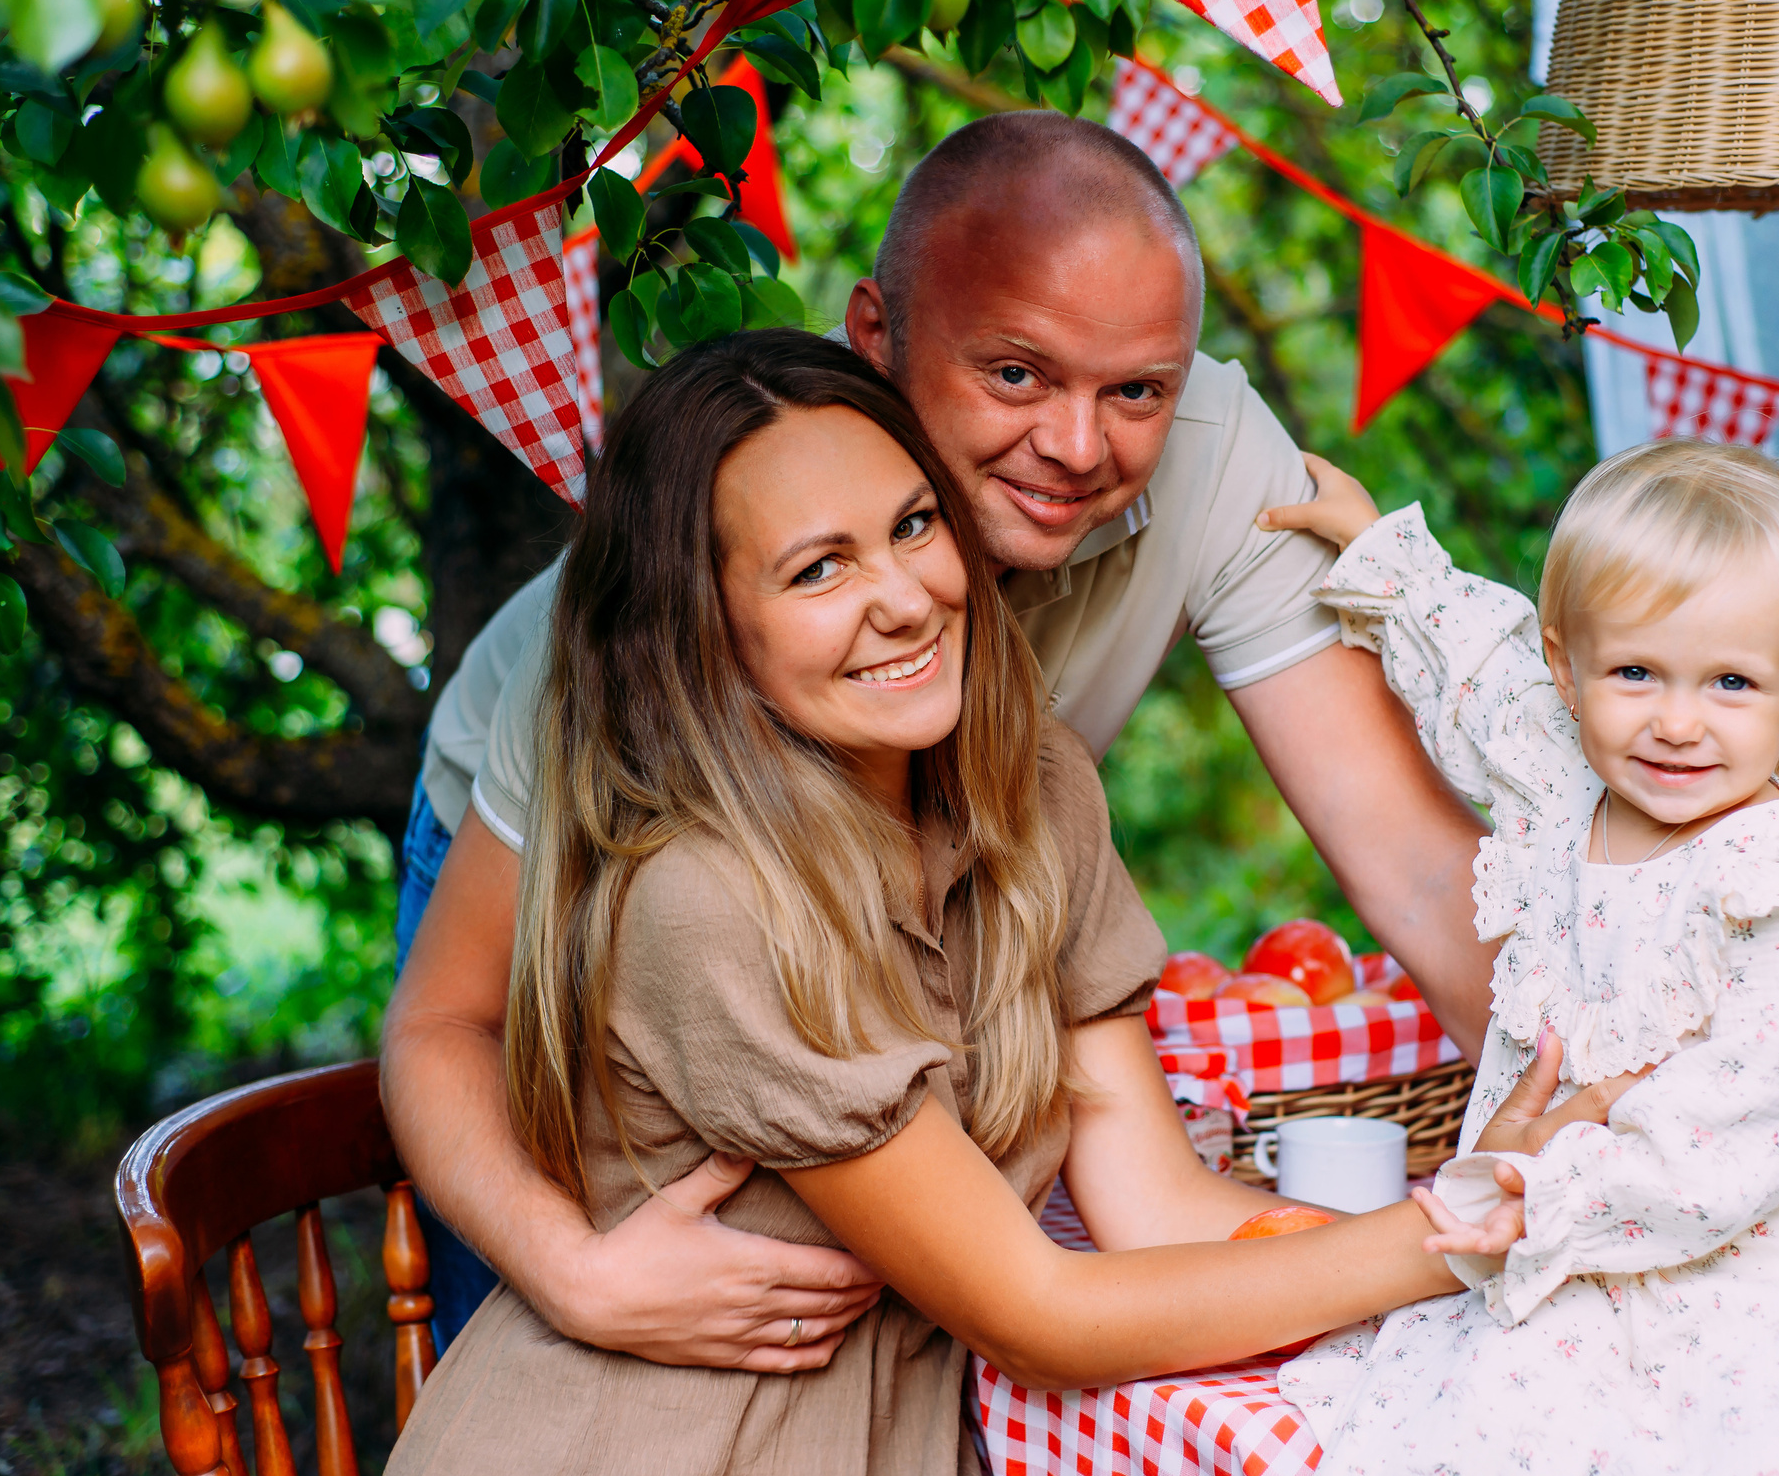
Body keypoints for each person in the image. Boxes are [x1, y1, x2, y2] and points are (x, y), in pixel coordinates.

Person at [382, 110, 1498, 1364]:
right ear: (877, 339)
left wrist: (1604, 1120)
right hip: (586, 854)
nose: (1077, 448)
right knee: (608, 1310)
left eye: (1135, 389)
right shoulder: (637, 646)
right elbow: (445, 1024)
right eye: (1015, 373)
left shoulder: (1197, 485)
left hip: (918, 887)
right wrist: (571, 1273)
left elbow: (1411, 860)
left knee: (909, 1310)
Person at [365, 332, 1464, 1476]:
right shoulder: (707, 901)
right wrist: (1449, 1236)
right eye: (817, 570)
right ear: (704, 629)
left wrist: (1444, 1219)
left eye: (911, 526)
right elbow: (1037, 1306)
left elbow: (1153, 1202)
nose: (903, 596)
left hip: (886, 1469)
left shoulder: (1026, 781)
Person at [1256, 441, 1779, 1476]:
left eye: (1731, 682)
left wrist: (1554, 1189)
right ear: (1571, 668)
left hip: (1726, 1240)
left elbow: (1741, 1123)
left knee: (1703, 1455)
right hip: (1541, 1213)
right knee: (1471, 1436)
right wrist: (1387, 561)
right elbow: (1480, 682)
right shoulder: (1564, 785)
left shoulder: (1767, 884)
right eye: (1635, 672)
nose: (1677, 721)